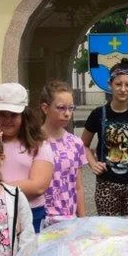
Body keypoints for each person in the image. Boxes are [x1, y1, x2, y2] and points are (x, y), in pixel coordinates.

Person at [81, 63, 128, 216]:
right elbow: (83, 145)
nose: (123, 89)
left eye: (127, 85)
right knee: (110, 232)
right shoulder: (98, 114)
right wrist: (92, 163)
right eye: (118, 84)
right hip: (106, 183)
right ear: (110, 85)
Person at [0, 83, 53, 232]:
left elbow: (38, 186)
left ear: (24, 115)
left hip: (31, 213)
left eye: (13, 115)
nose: (7, 120)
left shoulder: (39, 144)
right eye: (2, 114)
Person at [40, 80, 88, 226]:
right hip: (41, 218)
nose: (67, 113)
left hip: (69, 219)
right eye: (61, 108)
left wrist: (83, 221)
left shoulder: (75, 142)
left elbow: (78, 186)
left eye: (71, 108)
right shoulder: (33, 141)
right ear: (45, 108)